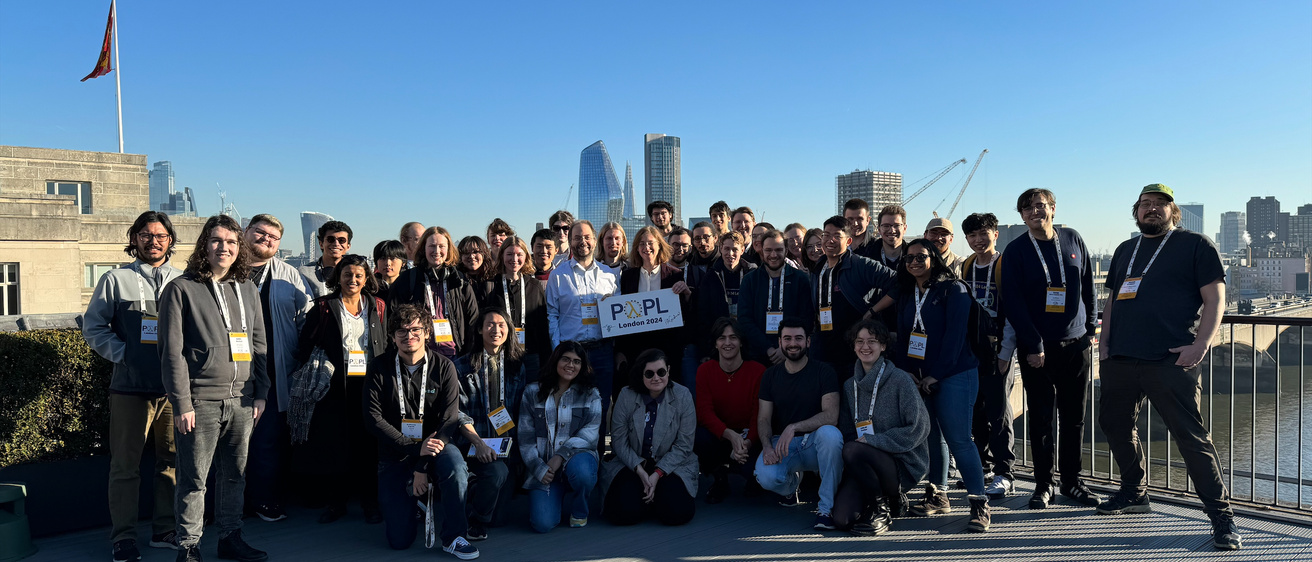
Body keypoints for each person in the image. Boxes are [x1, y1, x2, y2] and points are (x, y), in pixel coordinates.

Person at [1097, 184, 1240, 550]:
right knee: (1115, 425)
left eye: (1161, 204)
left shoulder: (1195, 245)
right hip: (1121, 358)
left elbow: (1215, 298)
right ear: (1136, 211)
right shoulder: (1125, 249)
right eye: (1145, 203)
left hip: (1171, 358)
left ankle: (1221, 516)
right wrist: (1105, 346)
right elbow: (1112, 302)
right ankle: (1134, 491)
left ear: (1173, 212)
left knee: (1190, 437)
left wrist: (1201, 344)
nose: (1152, 208)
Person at [158, 214, 268, 562]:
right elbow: (172, 352)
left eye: (231, 242)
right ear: (204, 245)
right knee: (194, 479)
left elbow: (259, 345)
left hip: (242, 400)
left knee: (235, 476)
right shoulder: (180, 289)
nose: (224, 247)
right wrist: (182, 403)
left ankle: (230, 537)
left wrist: (261, 392)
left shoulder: (247, 289)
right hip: (200, 401)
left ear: (240, 248)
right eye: (217, 240)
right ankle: (189, 546)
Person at [84, 211, 183, 561]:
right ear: (134, 239)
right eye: (145, 234)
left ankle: (164, 529)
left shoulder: (183, 280)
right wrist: (125, 355)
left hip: (173, 390)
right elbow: (94, 326)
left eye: (160, 235)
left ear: (170, 240)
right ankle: (123, 537)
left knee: (171, 462)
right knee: (125, 466)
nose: (153, 241)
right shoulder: (115, 279)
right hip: (130, 388)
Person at [1000, 188, 1101, 509]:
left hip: (1077, 344)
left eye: (1040, 206)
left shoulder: (1072, 239)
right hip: (1038, 351)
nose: (1034, 212)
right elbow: (1013, 303)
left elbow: (1088, 284)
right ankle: (1044, 484)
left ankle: (1072, 481)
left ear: (1053, 209)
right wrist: (1032, 344)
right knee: (1041, 419)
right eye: (1027, 208)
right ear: (1021, 216)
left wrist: (1090, 328)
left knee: (1074, 418)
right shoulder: (1016, 250)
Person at [362, 305, 479, 559]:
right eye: (402, 331)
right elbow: (373, 419)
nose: (409, 336)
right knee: (399, 541)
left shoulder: (444, 366)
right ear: (392, 336)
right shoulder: (379, 367)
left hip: (436, 446)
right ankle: (415, 502)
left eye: (416, 329)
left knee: (456, 467)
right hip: (395, 451)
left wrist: (421, 466)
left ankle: (454, 537)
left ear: (427, 333)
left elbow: (449, 420)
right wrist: (414, 449)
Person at [892, 239, 991, 532]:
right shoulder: (907, 293)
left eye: (920, 256)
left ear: (934, 258)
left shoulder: (953, 289)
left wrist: (935, 374)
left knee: (959, 439)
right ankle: (938, 494)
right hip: (920, 376)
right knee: (932, 437)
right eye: (908, 258)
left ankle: (979, 503)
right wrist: (908, 372)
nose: (914, 262)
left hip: (954, 373)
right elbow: (903, 336)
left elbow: (955, 338)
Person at [291, 254, 389, 524]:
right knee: (336, 443)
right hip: (334, 386)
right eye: (347, 274)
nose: (352, 280)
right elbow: (305, 343)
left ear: (366, 278)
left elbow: (386, 342)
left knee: (368, 444)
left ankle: (370, 502)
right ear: (339, 277)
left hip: (369, 385)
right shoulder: (324, 306)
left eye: (358, 275)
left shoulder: (378, 306)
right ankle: (337, 502)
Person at [242, 214, 313, 523]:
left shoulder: (288, 274)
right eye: (261, 232)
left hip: (273, 373)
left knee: (267, 441)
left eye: (273, 237)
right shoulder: (227, 270)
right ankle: (224, 505)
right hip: (229, 373)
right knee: (226, 442)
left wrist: (297, 358)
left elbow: (306, 317)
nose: (266, 239)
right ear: (246, 232)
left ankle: (263, 500)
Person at [832, 319, 929, 535]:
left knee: (852, 449)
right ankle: (882, 501)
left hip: (902, 463)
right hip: (863, 463)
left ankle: (881, 508)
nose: (865, 347)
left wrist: (874, 441)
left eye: (872, 341)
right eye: (859, 341)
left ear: (883, 346)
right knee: (842, 519)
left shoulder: (900, 380)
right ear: (854, 346)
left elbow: (919, 427)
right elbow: (847, 431)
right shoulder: (849, 386)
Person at [754, 318, 844, 530]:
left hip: (815, 443)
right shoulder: (770, 375)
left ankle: (826, 509)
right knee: (766, 477)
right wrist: (767, 447)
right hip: (784, 446)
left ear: (808, 342)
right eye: (787, 338)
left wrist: (794, 427)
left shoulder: (824, 371)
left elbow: (831, 416)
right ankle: (791, 487)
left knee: (831, 435)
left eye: (798, 338)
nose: (793, 343)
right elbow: (763, 418)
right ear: (779, 342)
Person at [602, 349, 699, 526]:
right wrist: (639, 470)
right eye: (649, 374)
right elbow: (619, 441)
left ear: (668, 371)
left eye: (661, 372)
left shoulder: (683, 395)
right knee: (621, 513)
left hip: (671, 463)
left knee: (677, 513)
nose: (656, 378)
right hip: (633, 462)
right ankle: (649, 499)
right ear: (641, 374)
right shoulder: (626, 395)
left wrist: (657, 473)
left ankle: (654, 498)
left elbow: (684, 444)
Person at [454, 308, 525, 541]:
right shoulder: (461, 366)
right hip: (472, 443)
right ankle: (476, 519)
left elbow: (520, 410)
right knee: (496, 474)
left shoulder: (516, 366)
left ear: (509, 330)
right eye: (490, 324)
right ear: (479, 329)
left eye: (501, 325)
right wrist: (478, 443)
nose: (496, 330)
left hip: (505, 446)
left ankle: (477, 489)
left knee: (499, 519)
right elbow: (457, 413)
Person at [960, 212, 1017, 499]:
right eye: (972, 235)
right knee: (976, 411)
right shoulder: (967, 265)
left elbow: (1014, 311)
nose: (978, 240)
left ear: (995, 234)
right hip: (973, 349)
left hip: (997, 349)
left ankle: (1005, 472)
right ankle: (980, 468)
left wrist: (1006, 352)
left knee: (999, 412)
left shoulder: (1005, 265)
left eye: (984, 234)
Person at [518, 342, 602, 532]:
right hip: (544, 467)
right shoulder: (532, 392)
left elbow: (590, 434)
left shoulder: (591, 394)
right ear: (555, 360)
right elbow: (525, 436)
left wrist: (560, 455)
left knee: (582, 473)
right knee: (542, 524)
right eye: (565, 359)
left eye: (576, 361)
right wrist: (538, 467)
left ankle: (579, 510)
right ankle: (557, 494)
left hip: (576, 460)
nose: (570, 365)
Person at [545, 220, 619, 429]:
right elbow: (552, 315)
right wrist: (557, 351)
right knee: (571, 409)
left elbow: (618, 314)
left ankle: (597, 449)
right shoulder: (558, 276)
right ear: (570, 242)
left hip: (602, 352)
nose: (582, 242)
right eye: (577, 238)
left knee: (601, 407)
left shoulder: (609, 275)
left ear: (595, 241)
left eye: (587, 237)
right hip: (571, 353)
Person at [810, 216, 898, 371]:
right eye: (826, 235)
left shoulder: (860, 264)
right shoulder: (818, 268)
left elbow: (898, 283)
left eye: (837, 236)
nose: (830, 240)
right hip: (823, 347)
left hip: (855, 349)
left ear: (848, 241)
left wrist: (873, 311)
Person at [694, 318, 767, 504]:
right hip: (720, 435)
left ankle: (753, 478)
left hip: (750, 438)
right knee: (698, 436)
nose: (728, 343)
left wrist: (746, 443)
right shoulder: (704, 370)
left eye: (733, 337)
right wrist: (730, 436)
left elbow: (759, 416)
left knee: (755, 471)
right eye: (722, 338)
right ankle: (720, 479)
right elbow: (704, 413)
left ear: (741, 342)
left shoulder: (758, 371)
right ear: (715, 344)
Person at [388, 226, 480, 360]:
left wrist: (468, 354)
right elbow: (393, 317)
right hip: (419, 356)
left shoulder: (459, 281)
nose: (437, 251)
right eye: (432, 246)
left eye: (441, 246)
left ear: (448, 249)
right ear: (423, 248)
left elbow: (473, 319)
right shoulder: (408, 279)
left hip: (455, 355)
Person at [616, 226, 691, 389]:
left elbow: (682, 315)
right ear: (637, 248)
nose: (646, 247)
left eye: (650, 242)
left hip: (666, 349)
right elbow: (623, 316)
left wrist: (686, 295)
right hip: (635, 349)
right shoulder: (627, 276)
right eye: (642, 243)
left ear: (659, 245)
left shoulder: (675, 275)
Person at [737, 230, 814, 365]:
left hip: (792, 354)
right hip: (758, 355)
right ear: (762, 251)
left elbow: (806, 317)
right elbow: (744, 319)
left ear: (786, 251)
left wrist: (785, 347)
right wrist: (768, 348)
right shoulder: (750, 280)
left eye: (778, 250)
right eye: (768, 250)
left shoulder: (800, 279)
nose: (773, 255)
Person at [491, 236, 550, 381]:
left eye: (519, 254)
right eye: (509, 254)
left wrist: (546, 360)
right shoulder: (491, 286)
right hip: (501, 355)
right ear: (502, 256)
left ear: (526, 257)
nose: (514, 259)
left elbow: (543, 326)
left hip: (531, 356)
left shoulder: (535, 287)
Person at [695, 232, 757, 361]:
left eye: (735, 249)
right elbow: (703, 314)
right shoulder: (711, 276)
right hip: (721, 340)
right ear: (721, 249)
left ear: (742, 250)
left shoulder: (753, 275)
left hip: (748, 338)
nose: (730, 254)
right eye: (727, 249)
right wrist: (706, 350)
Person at [299, 220, 352, 297]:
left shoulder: (355, 273)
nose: (336, 244)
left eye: (341, 240)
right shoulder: (304, 273)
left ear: (348, 246)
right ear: (321, 244)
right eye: (331, 239)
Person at [457, 236, 497, 304]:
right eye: (466, 253)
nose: (471, 256)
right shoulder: (455, 281)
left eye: (476, 252)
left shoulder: (495, 278)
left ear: (484, 254)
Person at [875, 205, 908, 271]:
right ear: (879, 230)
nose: (892, 230)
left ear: (904, 228)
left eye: (897, 225)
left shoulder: (914, 259)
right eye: (886, 226)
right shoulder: (866, 258)